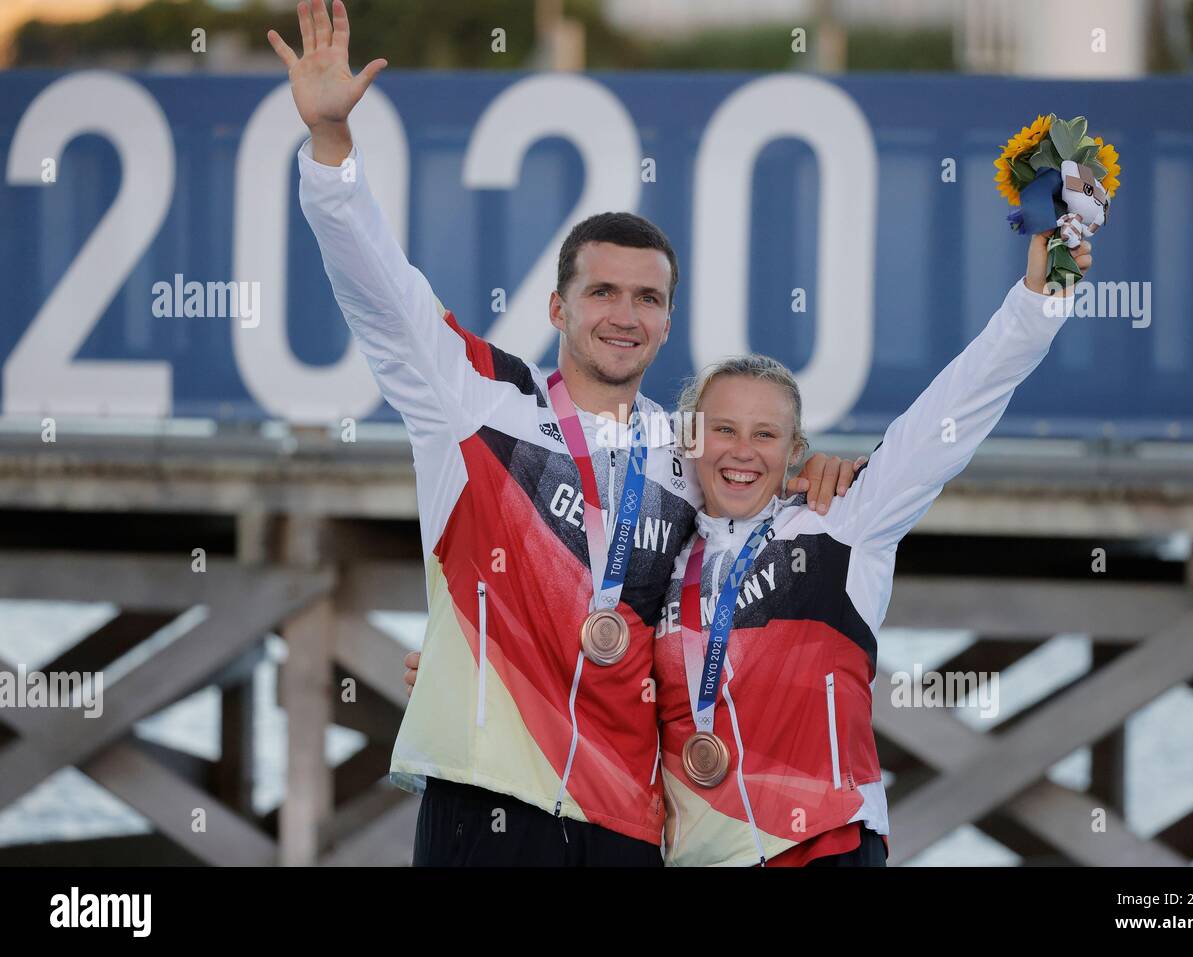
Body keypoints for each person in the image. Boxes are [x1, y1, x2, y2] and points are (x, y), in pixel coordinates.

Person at [268, 0, 857, 867]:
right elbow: (381, 290)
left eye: (648, 298)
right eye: (602, 293)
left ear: (667, 322)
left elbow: (751, 512)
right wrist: (330, 148)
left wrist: (821, 476)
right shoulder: (476, 401)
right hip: (489, 802)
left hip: (624, 823)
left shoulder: (687, 447)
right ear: (558, 307)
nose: (625, 314)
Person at [652, 234, 1092, 866]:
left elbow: (954, 413)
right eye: (724, 429)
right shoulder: (662, 561)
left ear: (794, 447)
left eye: (766, 434)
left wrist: (1036, 302)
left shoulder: (845, 524)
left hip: (824, 849)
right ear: (691, 438)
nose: (743, 452)